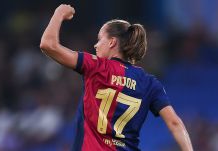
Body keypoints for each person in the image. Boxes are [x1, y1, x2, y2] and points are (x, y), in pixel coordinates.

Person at [40, 4, 193, 151]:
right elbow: (175, 123)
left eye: (100, 39)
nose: (96, 45)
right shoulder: (149, 83)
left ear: (112, 42)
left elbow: (48, 45)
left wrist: (59, 13)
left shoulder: (96, 66)